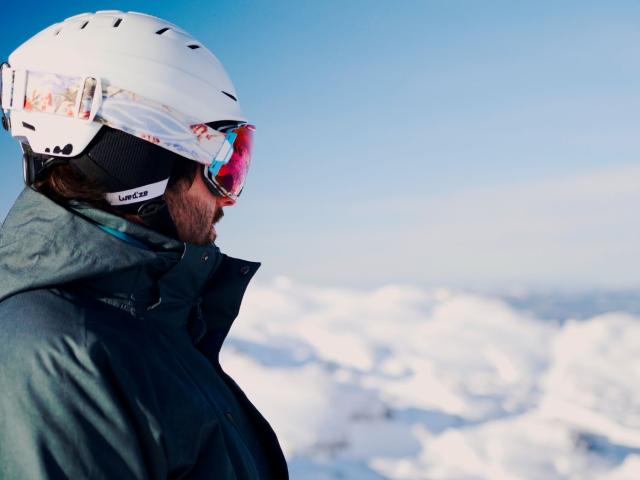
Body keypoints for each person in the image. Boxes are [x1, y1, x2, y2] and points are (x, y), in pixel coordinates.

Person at [0, 10, 288, 480]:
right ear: (144, 164)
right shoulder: (57, 355)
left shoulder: (148, 322)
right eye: (222, 165)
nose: (226, 200)